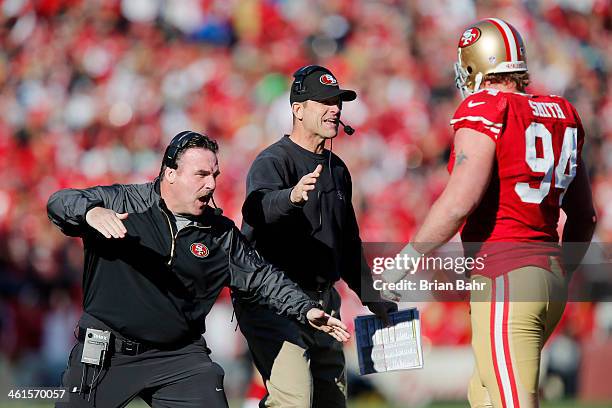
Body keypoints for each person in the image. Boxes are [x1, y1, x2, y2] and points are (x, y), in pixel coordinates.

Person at [47, 131, 350, 408]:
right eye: (201, 174)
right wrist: (90, 212)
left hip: (178, 357)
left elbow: (262, 277)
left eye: (214, 174)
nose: (212, 184)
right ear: (170, 174)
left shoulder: (219, 233)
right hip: (108, 350)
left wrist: (306, 309)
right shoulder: (125, 201)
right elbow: (61, 201)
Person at [382, 18, 597, 408]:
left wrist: (404, 261)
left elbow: (460, 199)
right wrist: (558, 271)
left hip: (505, 279)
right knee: (483, 397)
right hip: (548, 278)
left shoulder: (485, 106)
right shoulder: (561, 111)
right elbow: (585, 217)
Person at [237, 65, 397, 408]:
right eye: (324, 102)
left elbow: (348, 243)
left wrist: (371, 296)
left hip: (324, 302)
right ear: (298, 109)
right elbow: (255, 209)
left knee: (332, 402)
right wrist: (290, 197)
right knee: (294, 400)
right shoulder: (272, 161)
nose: (335, 109)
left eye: (337, 102)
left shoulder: (337, 168)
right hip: (275, 300)